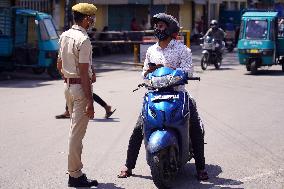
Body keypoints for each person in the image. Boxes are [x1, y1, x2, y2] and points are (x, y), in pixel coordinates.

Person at [117, 13, 209, 181]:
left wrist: (176, 72)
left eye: (161, 26)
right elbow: (144, 73)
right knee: (138, 130)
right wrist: (148, 72)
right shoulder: (151, 50)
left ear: (170, 28)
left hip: (178, 94)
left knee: (194, 128)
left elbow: (188, 70)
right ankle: (128, 165)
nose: (157, 29)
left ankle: (201, 167)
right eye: (156, 26)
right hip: (154, 95)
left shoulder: (182, 49)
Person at [56, 3, 99, 187]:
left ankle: (75, 172)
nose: (93, 21)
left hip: (68, 87)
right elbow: (83, 74)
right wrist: (90, 101)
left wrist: (71, 79)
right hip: (80, 89)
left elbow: (59, 65)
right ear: (86, 18)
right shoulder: (84, 39)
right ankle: (75, 175)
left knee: (74, 131)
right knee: (76, 134)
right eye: (92, 18)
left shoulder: (65, 35)